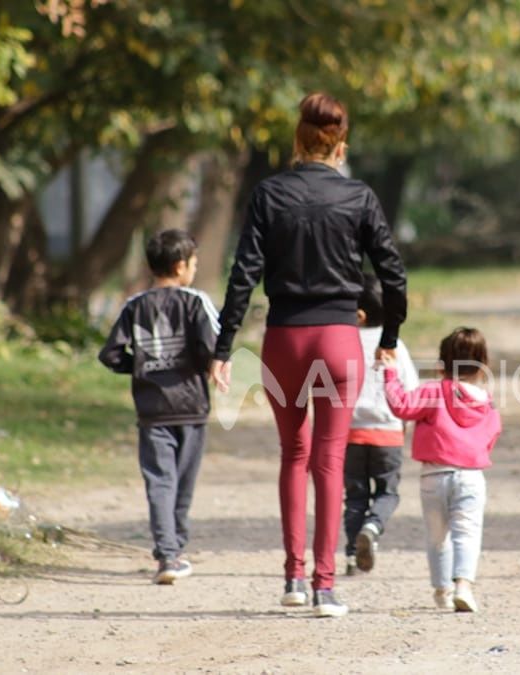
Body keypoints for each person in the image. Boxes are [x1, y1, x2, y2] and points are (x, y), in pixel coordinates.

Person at [209, 92, 407, 618]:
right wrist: (389, 338)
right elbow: (393, 274)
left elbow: (243, 274)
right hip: (340, 339)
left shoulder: (269, 194)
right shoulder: (360, 197)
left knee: (293, 456)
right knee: (330, 460)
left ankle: (293, 577)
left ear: (298, 138)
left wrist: (224, 346)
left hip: (285, 339)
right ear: (341, 144)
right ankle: (325, 587)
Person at [98, 229, 220, 585]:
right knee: (183, 482)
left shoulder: (134, 306)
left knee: (159, 482)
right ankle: (174, 548)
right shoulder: (196, 301)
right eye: (194, 264)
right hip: (191, 406)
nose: (194, 270)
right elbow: (213, 347)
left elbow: (110, 354)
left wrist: (139, 367)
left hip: (152, 410)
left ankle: (167, 555)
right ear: (181, 266)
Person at [383, 327, 502, 613]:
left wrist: (389, 374)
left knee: (437, 536)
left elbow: (401, 405)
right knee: (467, 533)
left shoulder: (433, 391)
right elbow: (493, 433)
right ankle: (463, 585)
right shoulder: (487, 402)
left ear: (441, 364)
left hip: (433, 475)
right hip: (472, 476)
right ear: (483, 365)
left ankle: (441, 588)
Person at [343, 274, 419, 576]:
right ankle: (373, 526)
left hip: (350, 434)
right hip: (388, 433)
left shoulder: (343, 344)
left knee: (355, 496)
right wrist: (406, 427)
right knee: (388, 492)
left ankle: (351, 554)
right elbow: (410, 390)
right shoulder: (395, 346)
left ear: (358, 314)